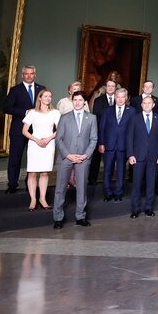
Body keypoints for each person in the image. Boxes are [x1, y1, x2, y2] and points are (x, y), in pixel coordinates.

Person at [52, 91, 97, 229]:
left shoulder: (92, 118)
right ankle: (58, 218)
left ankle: (80, 216)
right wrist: (68, 155)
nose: (77, 102)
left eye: (80, 100)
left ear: (84, 102)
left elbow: (94, 139)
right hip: (66, 158)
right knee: (60, 188)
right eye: (75, 100)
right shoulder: (64, 117)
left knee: (82, 188)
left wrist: (85, 155)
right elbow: (58, 139)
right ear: (72, 101)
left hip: (83, 158)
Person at [2, 65, 45, 194]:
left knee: (34, 158)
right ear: (23, 75)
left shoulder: (41, 89)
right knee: (15, 157)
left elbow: (46, 105)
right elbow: (6, 108)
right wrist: (25, 112)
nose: (29, 76)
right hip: (18, 129)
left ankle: (30, 184)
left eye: (31, 74)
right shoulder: (15, 90)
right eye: (26, 74)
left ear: (35, 75)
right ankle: (12, 184)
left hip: (37, 130)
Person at [127, 95, 158, 218]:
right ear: (141, 105)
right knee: (137, 183)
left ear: (153, 105)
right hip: (138, 156)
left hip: (153, 156)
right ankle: (135, 209)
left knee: (151, 183)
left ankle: (149, 208)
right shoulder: (135, 118)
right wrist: (130, 155)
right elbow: (129, 138)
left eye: (149, 103)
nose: (147, 105)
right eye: (145, 103)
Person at [22, 88, 60, 210]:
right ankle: (33, 199)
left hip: (49, 144)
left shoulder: (55, 112)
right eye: (45, 96)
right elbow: (24, 131)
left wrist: (48, 139)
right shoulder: (32, 113)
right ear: (40, 98)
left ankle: (42, 198)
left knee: (44, 173)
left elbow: (59, 130)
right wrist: (37, 140)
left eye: (50, 96)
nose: (48, 99)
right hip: (34, 144)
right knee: (32, 173)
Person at [98, 88, 134, 202]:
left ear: (126, 98)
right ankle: (108, 193)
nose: (120, 99)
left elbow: (133, 131)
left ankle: (119, 192)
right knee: (107, 170)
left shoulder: (132, 111)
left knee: (121, 171)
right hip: (109, 145)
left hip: (123, 146)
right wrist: (101, 143)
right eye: (118, 97)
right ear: (114, 97)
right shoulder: (107, 111)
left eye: (122, 97)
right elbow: (102, 128)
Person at [87, 78, 116, 186]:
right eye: (109, 86)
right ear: (105, 87)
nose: (110, 88)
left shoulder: (119, 100)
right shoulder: (99, 100)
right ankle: (92, 180)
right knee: (96, 158)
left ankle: (108, 181)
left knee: (111, 159)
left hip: (114, 135)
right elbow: (96, 117)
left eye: (113, 86)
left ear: (115, 88)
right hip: (101, 133)